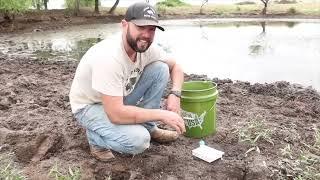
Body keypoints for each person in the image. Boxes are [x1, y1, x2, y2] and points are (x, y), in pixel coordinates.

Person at [69, 2, 185, 162]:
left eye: (151, 29)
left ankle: (149, 127)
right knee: (139, 141)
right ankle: (96, 140)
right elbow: (116, 114)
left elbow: (176, 66)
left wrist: (175, 93)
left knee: (161, 69)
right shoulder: (109, 57)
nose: (146, 34)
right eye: (140, 27)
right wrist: (161, 114)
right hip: (90, 106)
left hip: (117, 96)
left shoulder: (146, 48)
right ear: (124, 25)